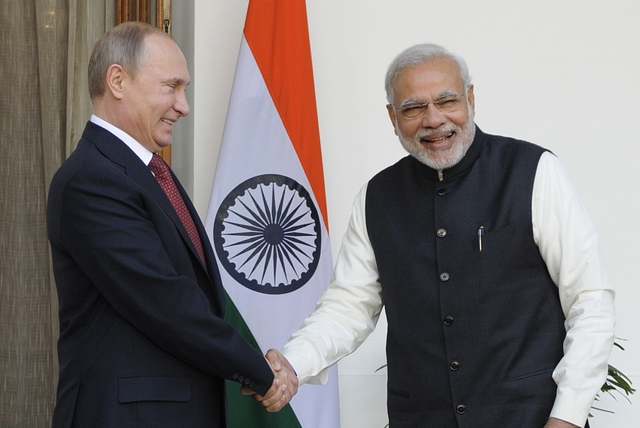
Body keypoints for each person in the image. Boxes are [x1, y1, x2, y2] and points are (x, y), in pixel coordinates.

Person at [261, 44, 616, 427]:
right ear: (392, 117)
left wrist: (568, 416)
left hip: (531, 418)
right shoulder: (376, 196)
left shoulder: (535, 172)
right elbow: (348, 306)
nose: (433, 120)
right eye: (413, 108)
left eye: (446, 101)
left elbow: (590, 300)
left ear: (471, 98)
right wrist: (293, 362)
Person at [46, 21, 294, 427]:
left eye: (185, 90)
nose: (184, 106)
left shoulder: (148, 170)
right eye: (171, 86)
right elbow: (167, 303)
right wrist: (263, 375)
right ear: (117, 80)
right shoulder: (92, 180)